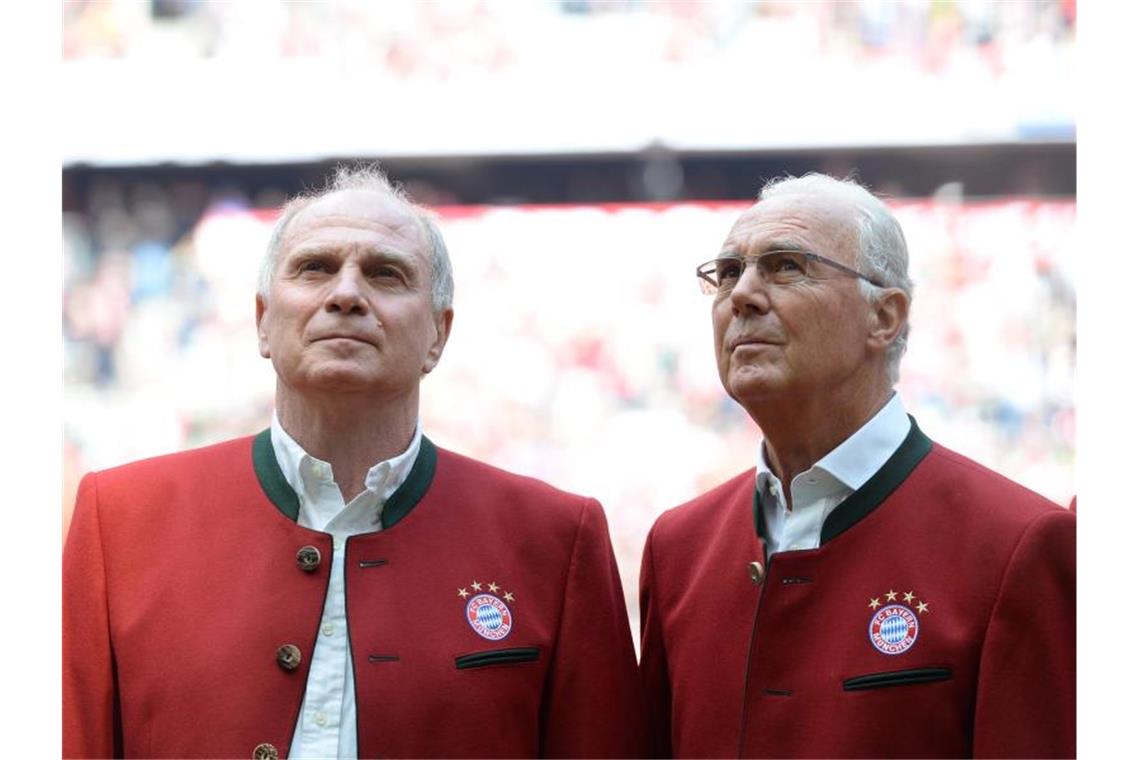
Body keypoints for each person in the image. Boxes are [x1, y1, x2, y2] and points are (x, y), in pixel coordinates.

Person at [63, 165, 645, 760]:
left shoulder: (556, 539)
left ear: (438, 336)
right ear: (264, 320)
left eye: (385, 274)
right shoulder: (121, 519)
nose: (345, 294)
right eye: (314, 267)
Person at [638, 173, 1075, 758]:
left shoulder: (1018, 544)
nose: (742, 294)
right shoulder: (677, 547)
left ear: (885, 317)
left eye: (786, 265)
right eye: (726, 273)